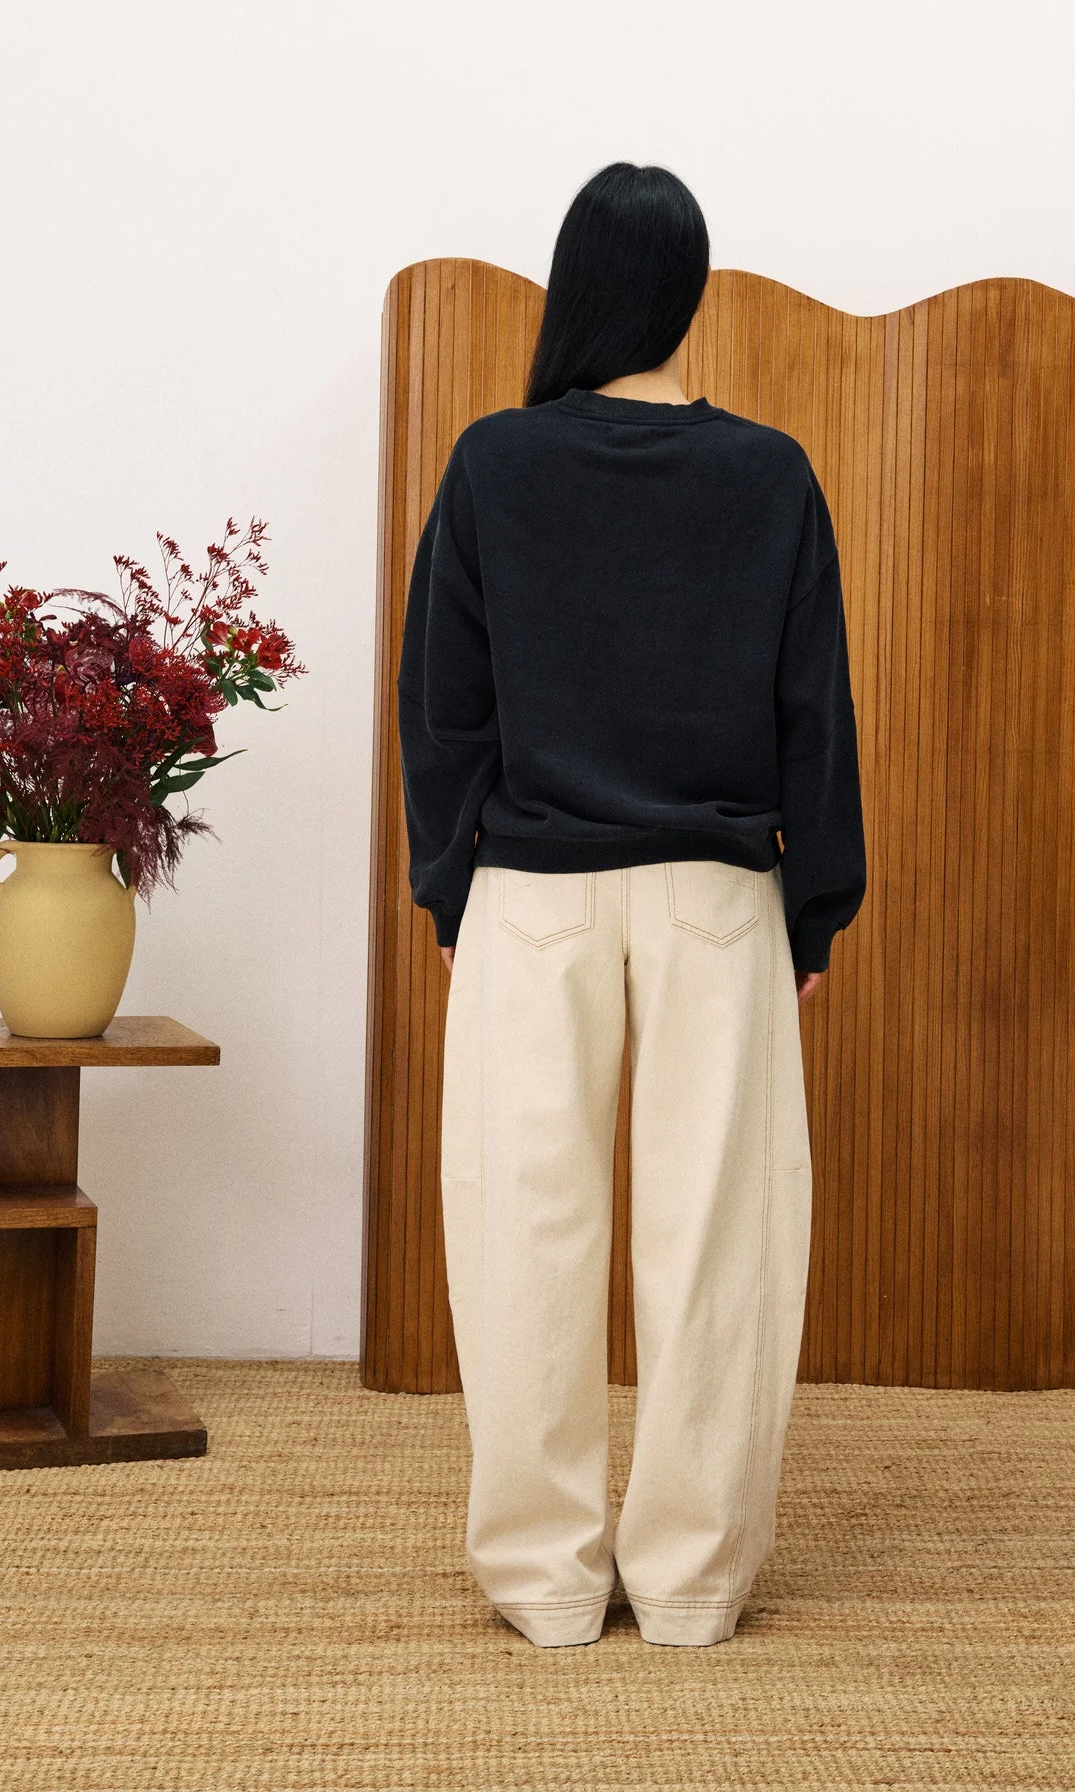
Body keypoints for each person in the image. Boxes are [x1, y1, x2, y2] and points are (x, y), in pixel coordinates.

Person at [396, 161, 866, 1649]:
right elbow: (817, 716)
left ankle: (541, 1584)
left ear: (574, 289)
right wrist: (814, 915)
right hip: (720, 895)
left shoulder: (492, 465)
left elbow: (442, 712)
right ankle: (687, 1586)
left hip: (532, 893)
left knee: (523, 1233)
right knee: (719, 1239)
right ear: (691, 294)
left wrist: (453, 887)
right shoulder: (773, 475)